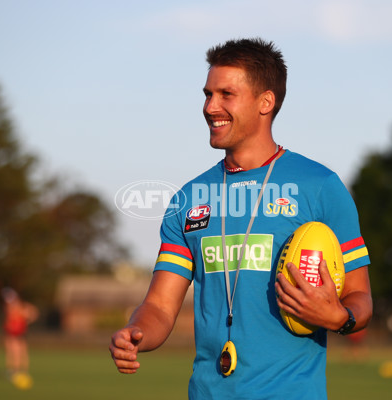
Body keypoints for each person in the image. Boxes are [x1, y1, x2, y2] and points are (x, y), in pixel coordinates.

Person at [110, 38, 372, 399]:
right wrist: (135, 332)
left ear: (266, 102)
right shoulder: (188, 199)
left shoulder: (320, 187)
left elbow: (360, 295)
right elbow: (159, 306)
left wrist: (340, 318)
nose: (209, 106)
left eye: (225, 94)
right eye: (207, 94)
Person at [2, 287, 38, 378]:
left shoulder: (22, 306)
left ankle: (21, 371)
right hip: (10, 331)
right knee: (11, 351)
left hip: (19, 332)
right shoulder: (9, 306)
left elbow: (33, 313)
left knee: (20, 351)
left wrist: (26, 321)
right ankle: (13, 370)